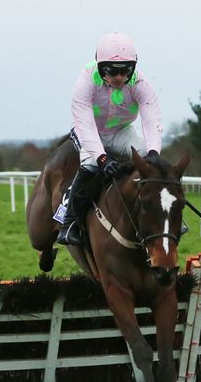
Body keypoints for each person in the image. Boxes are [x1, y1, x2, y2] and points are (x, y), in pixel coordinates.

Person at [57, 32, 163, 245]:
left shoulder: (140, 82)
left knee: (149, 162)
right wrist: (103, 159)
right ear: (99, 67)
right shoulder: (86, 80)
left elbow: (151, 120)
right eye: (112, 72)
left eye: (125, 71)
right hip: (88, 131)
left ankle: (160, 217)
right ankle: (68, 224)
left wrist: (153, 152)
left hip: (120, 131)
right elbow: (85, 124)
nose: (119, 78)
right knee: (90, 166)